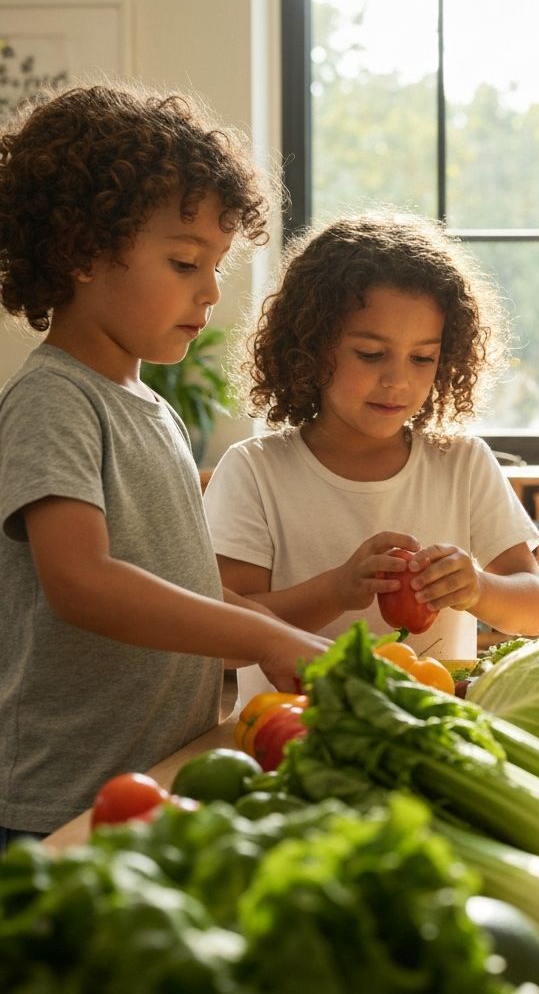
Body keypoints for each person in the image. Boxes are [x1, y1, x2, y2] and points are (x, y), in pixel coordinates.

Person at [0, 84, 331, 848]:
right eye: (185, 262)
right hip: (60, 802)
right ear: (81, 251)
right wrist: (263, 640)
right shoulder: (54, 400)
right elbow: (83, 583)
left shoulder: (153, 408)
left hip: (154, 776)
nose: (212, 292)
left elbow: (186, 592)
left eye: (215, 264)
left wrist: (286, 625)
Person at [203, 211, 539, 701]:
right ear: (310, 346)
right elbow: (220, 638)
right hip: (295, 734)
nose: (398, 381)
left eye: (422, 358)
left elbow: (536, 609)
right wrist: (336, 590)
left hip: (429, 730)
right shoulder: (255, 471)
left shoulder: (463, 463)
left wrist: (476, 587)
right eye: (371, 354)